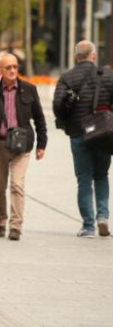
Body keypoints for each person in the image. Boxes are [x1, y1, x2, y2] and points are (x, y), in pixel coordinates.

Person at [0, 53, 47, 241]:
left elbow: (40, 119)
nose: (12, 70)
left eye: (15, 67)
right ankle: (0, 222)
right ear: (0, 69)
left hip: (21, 146)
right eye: (8, 67)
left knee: (17, 185)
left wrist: (42, 144)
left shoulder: (29, 90)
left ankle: (16, 226)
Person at [53, 40, 113, 238]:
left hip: (79, 133)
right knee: (102, 175)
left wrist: (65, 120)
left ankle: (88, 226)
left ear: (75, 57)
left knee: (84, 179)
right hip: (104, 133)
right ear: (93, 56)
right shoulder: (108, 76)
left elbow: (58, 105)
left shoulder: (67, 77)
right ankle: (103, 216)